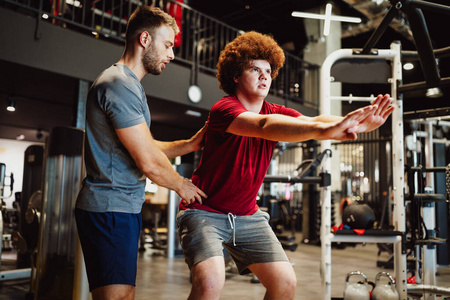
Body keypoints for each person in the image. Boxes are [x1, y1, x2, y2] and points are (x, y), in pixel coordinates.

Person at [176, 31, 394, 300]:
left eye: (268, 70)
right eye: (254, 69)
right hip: (204, 212)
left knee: (285, 283)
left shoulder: (276, 110)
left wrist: (352, 124)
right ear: (235, 76)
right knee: (210, 282)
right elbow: (263, 127)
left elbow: (310, 120)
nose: (264, 75)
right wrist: (330, 130)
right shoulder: (224, 109)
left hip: (247, 215)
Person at [75, 6, 207, 300]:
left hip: (122, 207)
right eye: (168, 45)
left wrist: (190, 144)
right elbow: (148, 162)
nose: (172, 55)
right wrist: (182, 186)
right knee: (116, 297)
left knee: (125, 294)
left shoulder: (129, 85)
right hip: (110, 207)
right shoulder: (118, 84)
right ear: (145, 39)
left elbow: (145, 146)